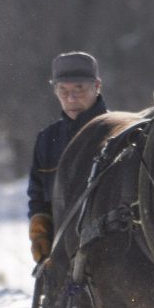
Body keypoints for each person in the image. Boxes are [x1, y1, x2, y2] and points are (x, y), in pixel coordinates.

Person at [27, 51, 108, 263]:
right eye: (63, 90)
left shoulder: (120, 132)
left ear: (97, 86)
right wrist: (40, 232)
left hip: (111, 251)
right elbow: (38, 197)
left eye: (79, 88)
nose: (71, 98)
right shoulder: (47, 139)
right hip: (62, 251)